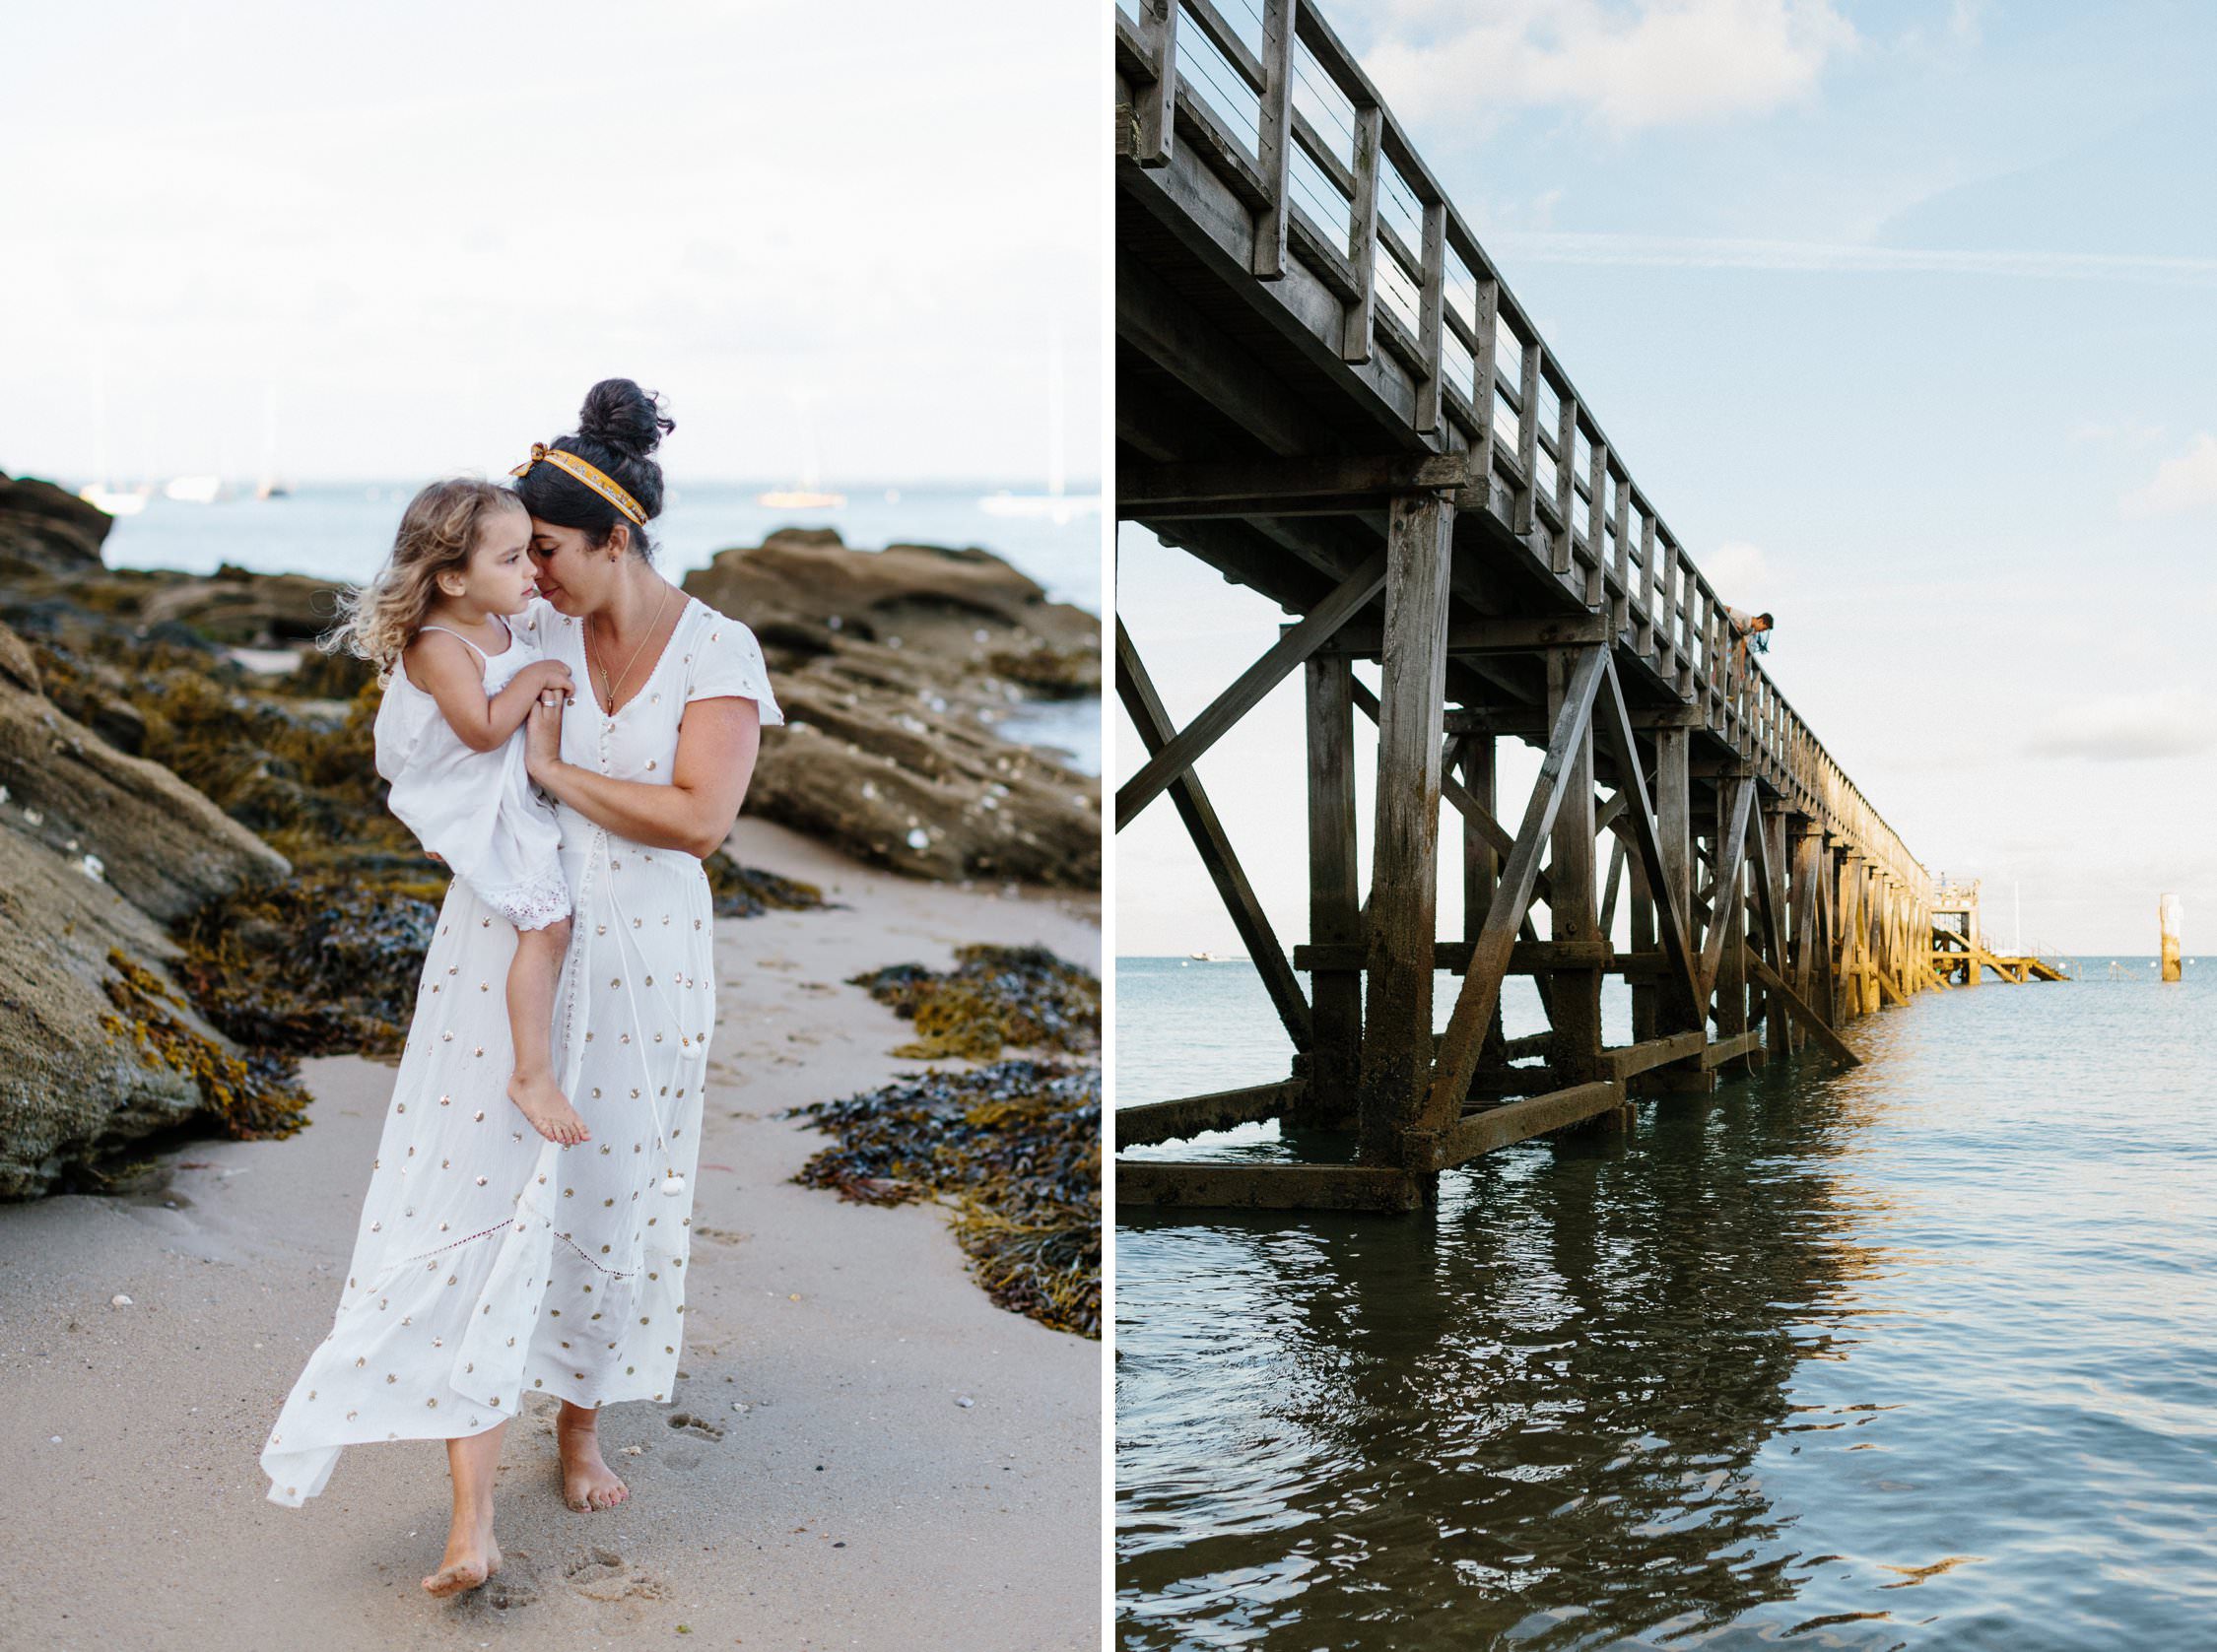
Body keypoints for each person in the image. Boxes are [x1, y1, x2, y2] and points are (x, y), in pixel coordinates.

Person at [258, 381, 783, 1603]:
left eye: (546, 550)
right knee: (473, 1193)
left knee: (608, 1187)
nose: (530, 572)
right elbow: (433, 734)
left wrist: (548, 766)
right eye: (519, 553)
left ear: (617, 540)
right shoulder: (522, 630)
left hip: (648, 952)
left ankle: (581, 1429)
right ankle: (470, 1518)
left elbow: (699, 822)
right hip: (503, 948)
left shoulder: (718, 651)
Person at [335, 478, 589, 1147]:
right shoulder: (439, 644)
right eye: (510, 560)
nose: (532, 570)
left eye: (531, 552)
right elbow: (479, 729)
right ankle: (531, 1072)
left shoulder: (499, 619)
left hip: (497, 790)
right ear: (450, 579)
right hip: (475, 796)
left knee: (554, 922)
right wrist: (537, 678)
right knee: (548, 924)